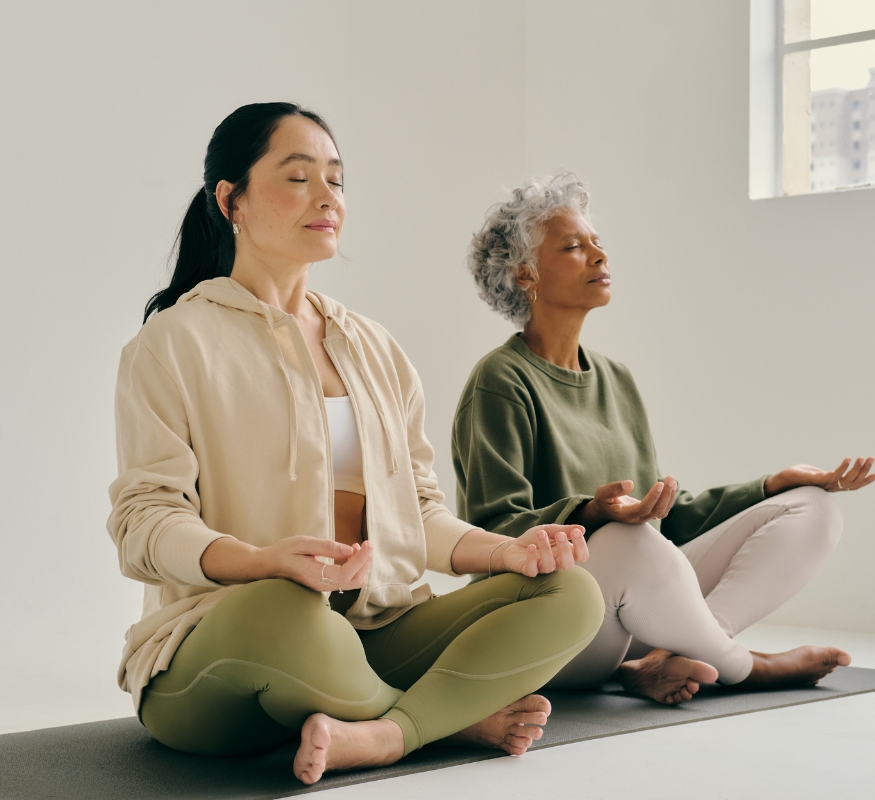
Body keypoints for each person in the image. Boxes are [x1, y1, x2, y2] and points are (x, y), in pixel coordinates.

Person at [107, 105, 605, 784]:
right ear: (232, 201)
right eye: (298, 176)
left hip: (371, 635)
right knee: (290, 609)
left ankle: (382, 734)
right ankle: (441, 720)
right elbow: (145, 523)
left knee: (568, 591)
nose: (326, 198)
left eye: (337, 181)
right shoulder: (171, 344)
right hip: (223, 653)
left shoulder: (374, 347)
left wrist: (507, 552)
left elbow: (420, 513)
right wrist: (259, 562)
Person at [453, 171, 873, 705]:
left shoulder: (617, 379)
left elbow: (665, 517)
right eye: (574, 247)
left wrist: (772, 484)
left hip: (635, 609)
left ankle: (678, 656)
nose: (599, 257)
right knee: (630, 541)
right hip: (550, 623)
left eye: (597, 244)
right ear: (525, 276)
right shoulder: (499, 381)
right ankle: (744, 667)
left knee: (813, 509)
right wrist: (592, 514)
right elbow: (494, 532)